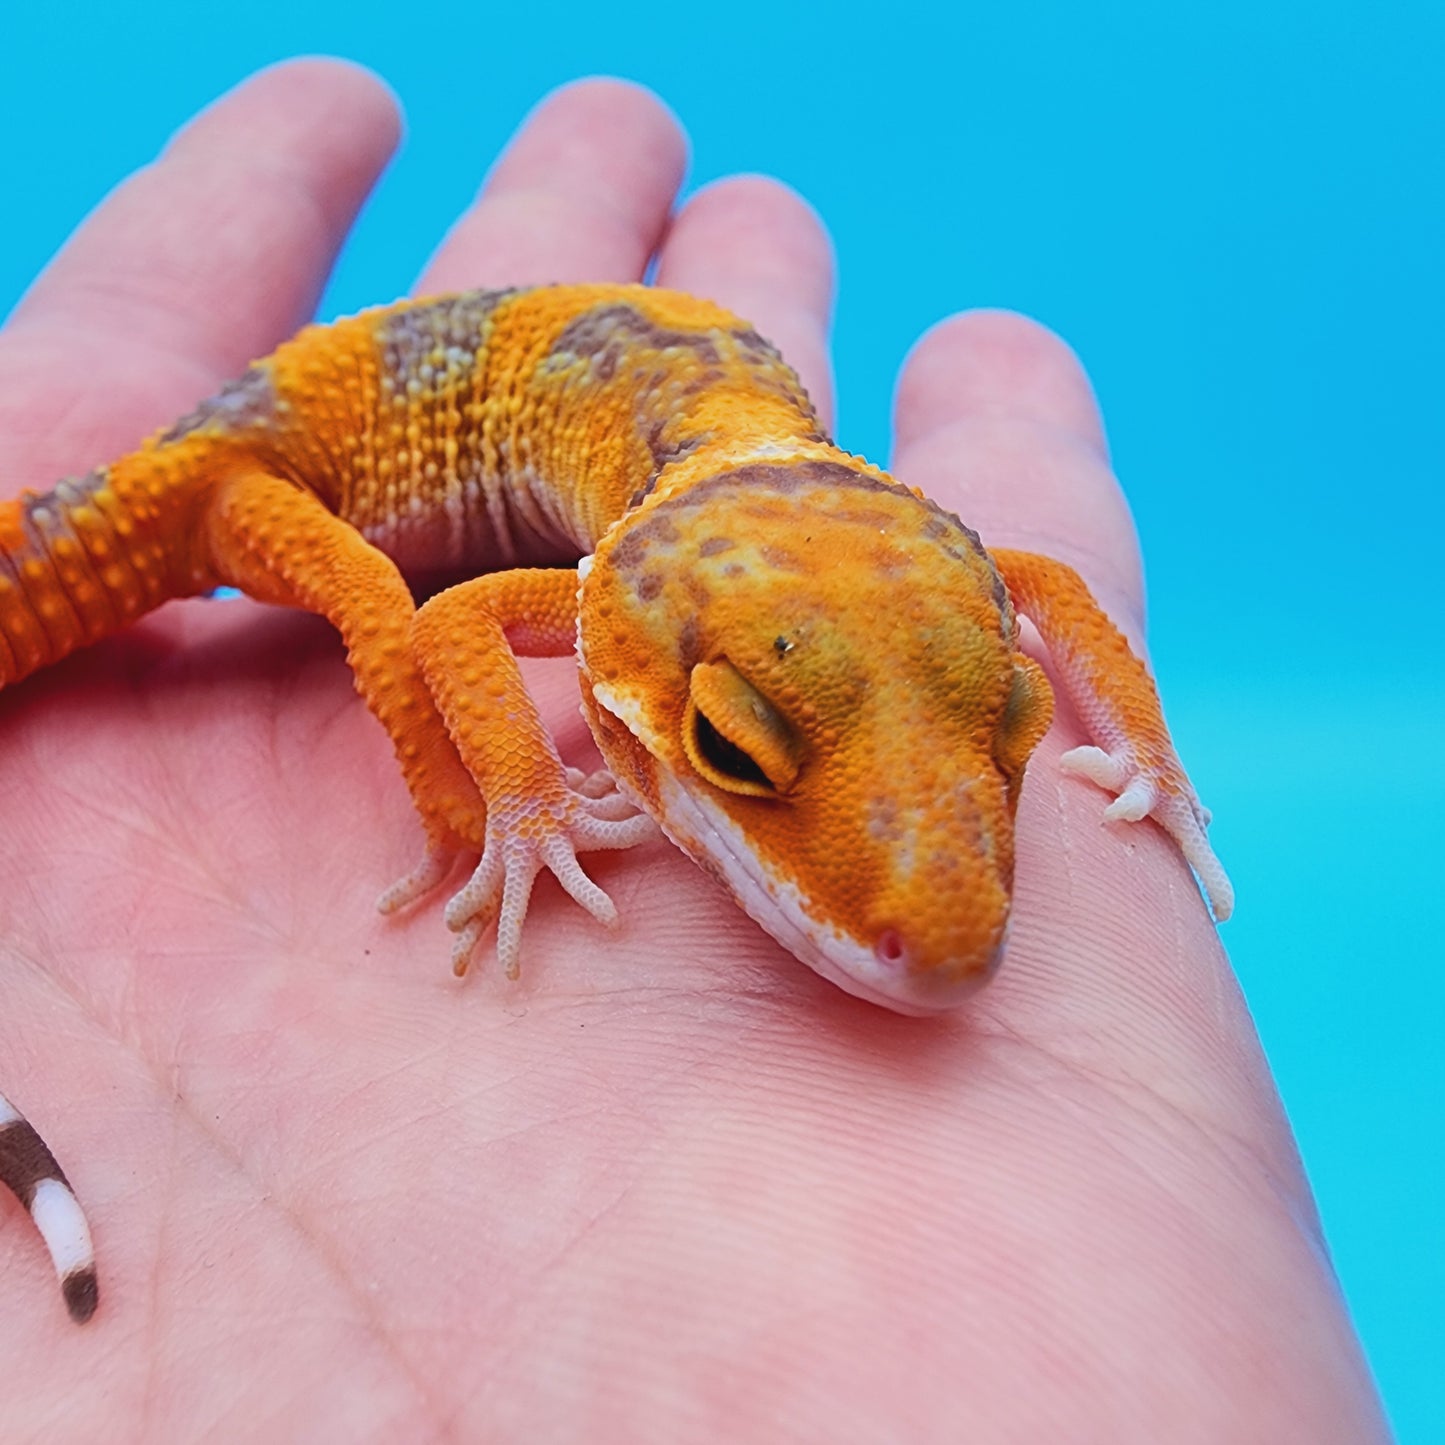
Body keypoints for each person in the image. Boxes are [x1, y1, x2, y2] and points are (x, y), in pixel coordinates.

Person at [0, 59, 1387, 1441]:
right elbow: (456, 622)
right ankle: (449, 833)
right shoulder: (597, 582)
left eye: (1000, 719)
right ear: (611, 611)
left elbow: (1042, 591)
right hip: (236, 480)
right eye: (738, 746)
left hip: (585, 419)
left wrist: (1143, 752)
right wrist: (513, 805)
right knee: (382, 598)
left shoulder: (909, 562)